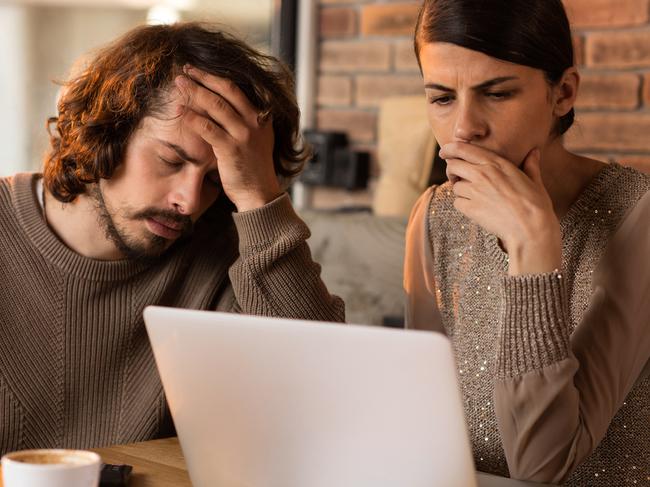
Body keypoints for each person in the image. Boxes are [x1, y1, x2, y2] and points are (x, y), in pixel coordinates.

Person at [0, 22, 344, 454]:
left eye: (217, 180)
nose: (189, 200)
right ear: (108, 130)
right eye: (170, 159)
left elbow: (328, 396)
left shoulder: (224, 253)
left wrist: (258, 195)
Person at [404, 1, 649, 485]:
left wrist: (534, 247)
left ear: (563, 93)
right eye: (442, 98)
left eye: (496, 93)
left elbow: (543, 469)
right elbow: (425, 422)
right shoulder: (434, 216)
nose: (464, 128)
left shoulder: (636, 217)